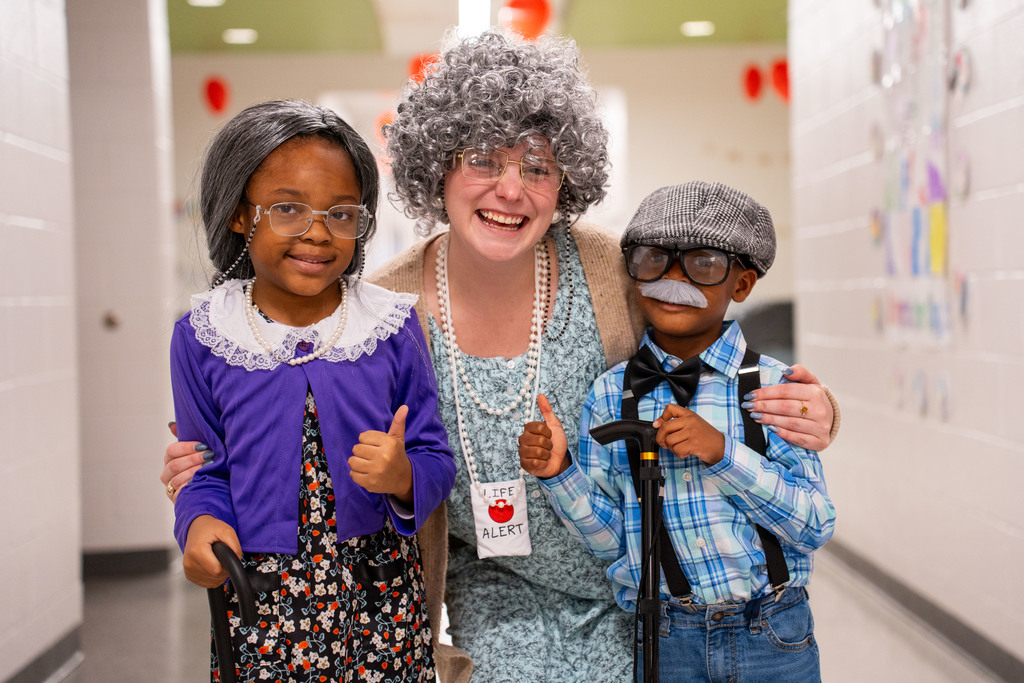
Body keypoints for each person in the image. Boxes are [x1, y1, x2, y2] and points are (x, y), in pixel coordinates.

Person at [162, 31, 838, 682]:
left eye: (537, 167)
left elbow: (706, 345)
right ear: (439, 165)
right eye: (483, 160)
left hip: (636, 583)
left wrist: (818, 408)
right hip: (489, 592)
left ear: (565, 179)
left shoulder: (611, 269)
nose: (511, 190)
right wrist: (205, 478)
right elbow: (289, 400)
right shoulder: (382, 307)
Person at [170, 99, 456, 682]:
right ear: (239, 215)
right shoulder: (203, 336)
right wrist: (197, 525)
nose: (318, 233)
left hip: (379, 597)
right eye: (287, 208)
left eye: (341, 213)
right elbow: (202, 470)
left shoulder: (390, 326)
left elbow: (435, 457)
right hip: (260, 598)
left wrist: (402, 475)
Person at [519, 181, 836, 682]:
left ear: (741, 285)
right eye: (654, 259)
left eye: (703, 264)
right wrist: (559, 473)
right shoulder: (610, 395)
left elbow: (814, 524)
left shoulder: (774, 389)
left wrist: (722, 453)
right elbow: (614, 543)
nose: (672, 278)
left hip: (773, 634)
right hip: (668, 641)